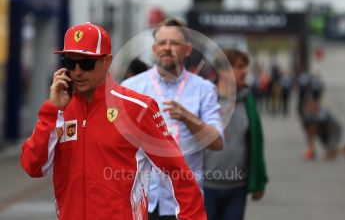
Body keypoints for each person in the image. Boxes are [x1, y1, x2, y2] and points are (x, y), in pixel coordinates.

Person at [20, 22, 207, 220]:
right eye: (69, 62)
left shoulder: (138, 108)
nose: (77, 71)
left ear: (107, 61)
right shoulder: (59, 110)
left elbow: (178, 173)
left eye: (86, 63)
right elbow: (34, 167)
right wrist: (53, 110)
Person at [121, 18, 224, 220]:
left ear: (187, 49)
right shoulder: (130, 87)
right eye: (162, 43)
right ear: (154, 48)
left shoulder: (204, 89)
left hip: (183, 204)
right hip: (140, 200)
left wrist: (188, 118)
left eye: (174, 43)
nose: (167, 48)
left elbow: (217, 142)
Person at [203, 48, 268, 220]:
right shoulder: (204, 99)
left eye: (244, 66)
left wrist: (258, 181)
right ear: (222, 71)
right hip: (205, 187)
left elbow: (255, 143)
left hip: (237, 188)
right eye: (238, 67)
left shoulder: (248, 101)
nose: (244, 71)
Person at [302, 96, 342, 160]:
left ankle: (335, 150)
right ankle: (314, 151)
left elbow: (325, 124)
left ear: (317, 106)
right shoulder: (308, 115)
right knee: (310, 130)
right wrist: (311, 147)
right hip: (322, 131)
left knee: (330, 154)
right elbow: (309, 131)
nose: (310, 108)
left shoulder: (323, 112)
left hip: (334, 130)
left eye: (312, 105)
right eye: (308, 106)